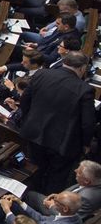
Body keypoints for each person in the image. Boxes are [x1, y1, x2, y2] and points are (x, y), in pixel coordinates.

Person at [19, 53, 95, 192]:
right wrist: (86, 144)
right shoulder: (85, 89)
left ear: (64, 62)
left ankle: (29, 196)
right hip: (63, 143)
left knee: (35, 169)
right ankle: (47, 204)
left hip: (34, 132)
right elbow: (88, 123)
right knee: (57, 177)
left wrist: (29, 120)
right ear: (83, 68)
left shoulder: (41, 74)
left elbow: (24, 101)